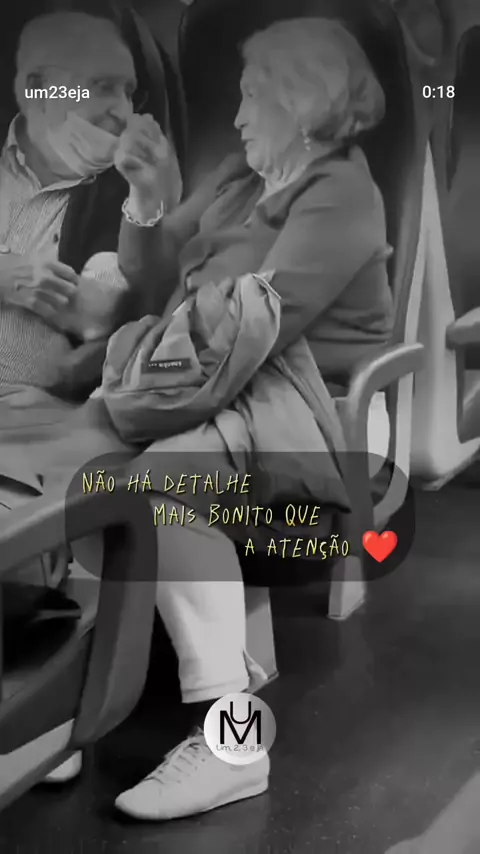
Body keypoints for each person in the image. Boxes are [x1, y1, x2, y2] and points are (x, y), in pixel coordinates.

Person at [44, 17, 394, 820]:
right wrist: (143, 197)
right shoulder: (243, 175)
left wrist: (129, 376)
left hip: (306, 408)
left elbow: (249, 329)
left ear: (302, 104)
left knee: (156, 489)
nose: (234, 117)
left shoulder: (342, 193)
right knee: (64, 465)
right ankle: (69, 707)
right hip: (217, 384)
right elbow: (155, 277)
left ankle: (232, 745)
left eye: (251, 97)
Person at [0, 11, 181, 400]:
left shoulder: (128, 199)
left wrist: (149, 197)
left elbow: (123, 317)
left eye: (129, 92)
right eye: (101, 87)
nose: (123, 112)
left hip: (32, 413)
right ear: (39, 88)